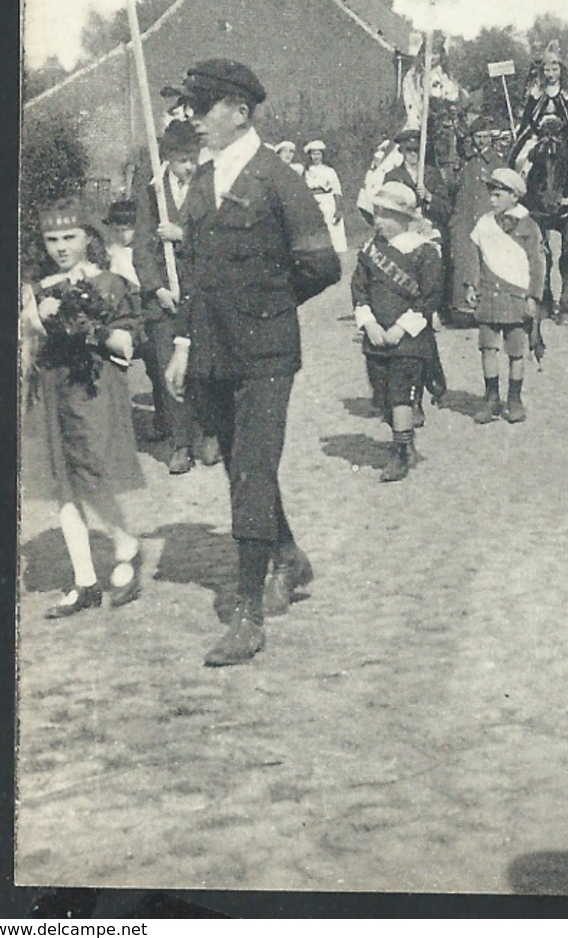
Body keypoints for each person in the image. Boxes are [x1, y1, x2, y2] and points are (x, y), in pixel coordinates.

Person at [162, 60, 340, 667]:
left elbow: (322, 265)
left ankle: (247, 614)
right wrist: (184, 345)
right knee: (239, 463)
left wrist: (264, 305)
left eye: (202, 105)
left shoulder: (278, 179)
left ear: (239, 111)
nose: (192, 117)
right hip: (213, 351)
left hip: (265, 353)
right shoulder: (203, 181)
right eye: (189, 105)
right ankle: (288, 557)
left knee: (252, 470)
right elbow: (193, 276)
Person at [24, 198, 146, 617]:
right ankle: (85, 580)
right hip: (52, 388)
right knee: (62, 481)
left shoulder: (109, 282)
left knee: (92, 474)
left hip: (92, 389)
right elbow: (31, 342)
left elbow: (127, 342)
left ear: (87, 237)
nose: (60, 246)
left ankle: (126, 544)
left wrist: (85, 326)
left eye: (69, 237)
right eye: (52, 238)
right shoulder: (38, 288)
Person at [131, 119, 219, 475]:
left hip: (201, 294)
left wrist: (182, 234)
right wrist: (157, 288)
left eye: (194, 158)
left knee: (205, 367)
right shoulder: (152, 193)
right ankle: (181, 443)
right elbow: (140, 248)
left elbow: (218, 239)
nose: (190, 166)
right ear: (167, 158)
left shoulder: (208, 187)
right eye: (183, 159)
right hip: (165, 299)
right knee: (171, 370)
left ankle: (209, 434)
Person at [351, 181, 444, 481]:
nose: (378, 220)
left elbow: (429, 298)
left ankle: (400, 455)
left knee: (400, 395)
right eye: (377, 213)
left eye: (386, 214)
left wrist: (402, 328)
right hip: (376, 337)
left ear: (404, 219)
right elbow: (359, 290)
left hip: (410, 341)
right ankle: (405, 440)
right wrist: (369, 324)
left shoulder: (424, 252)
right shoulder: (369, 251)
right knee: (383, 397)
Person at [464, 166, 545, 425]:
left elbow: (537, 263)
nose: (492, 200)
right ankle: (490, 399)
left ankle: (514, 399)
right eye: (491, 194)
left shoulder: (528, 225)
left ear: (514, 196)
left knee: (516, 351)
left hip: (516, 297)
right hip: (489, 294)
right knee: (487, 348)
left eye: (498, 195)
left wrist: (533, 296)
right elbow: (475, 258)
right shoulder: (484, 223)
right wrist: (470, 285)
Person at [512, 41, 568, 185]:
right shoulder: (537, 91)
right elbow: (529, 117)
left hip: (564, 130)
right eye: (547, 70)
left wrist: (567, 127)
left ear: (561, 70)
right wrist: (535, 129)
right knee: (519, 157)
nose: (551, 74)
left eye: (554, 69)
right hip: (539, 132)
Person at [449, 116, 511, 321]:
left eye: (486, 136)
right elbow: (453, 188)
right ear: (472, 138)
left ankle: (487, 307)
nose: (482, 141)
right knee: (463, 258)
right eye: (478, 136)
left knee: (488, 261)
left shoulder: (497, 163)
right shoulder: (464, 161)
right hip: (465, 217)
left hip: (488, 218)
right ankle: (463, 308)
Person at [303, 141, 348, 255]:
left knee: (335, 229)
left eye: (318, 154)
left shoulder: (329, 171)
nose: (316, 157)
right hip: (313, 201)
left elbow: (337, 190)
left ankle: (341, 256)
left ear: (322, 155)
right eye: (313, 154)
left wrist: (338, 209)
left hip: (327, 201)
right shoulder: (306, 171)